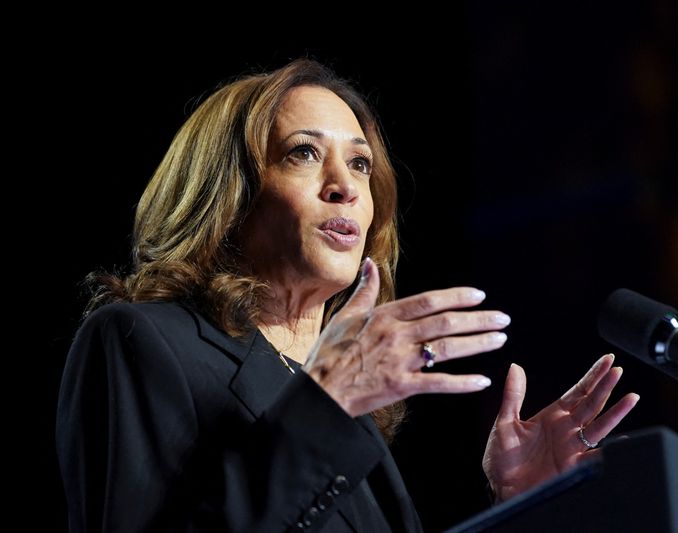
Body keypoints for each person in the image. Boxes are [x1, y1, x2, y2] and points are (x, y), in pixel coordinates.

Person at [55, 58, 640, 532]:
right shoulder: (142, 341)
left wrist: (515, 505)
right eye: (303, 153)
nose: (345, 187)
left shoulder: (352, 415)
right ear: (229, 192)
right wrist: (325, 406)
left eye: (360, 164)